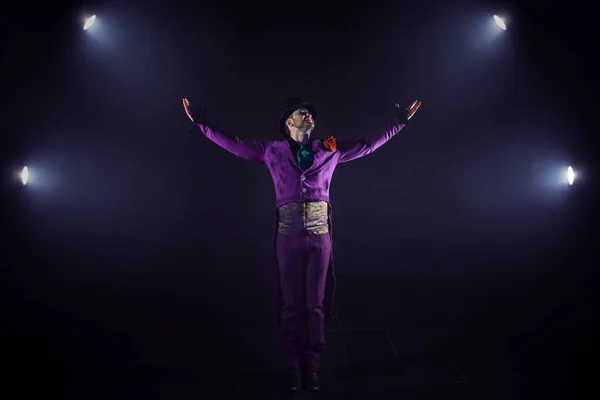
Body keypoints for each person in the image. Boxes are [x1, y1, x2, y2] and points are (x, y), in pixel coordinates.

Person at [182, 97, 421, 391]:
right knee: (292, 304)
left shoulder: (329, 150)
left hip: (320, 237)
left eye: (311, 113)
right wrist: (201, 124)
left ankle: (313, 366)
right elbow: (234, 143)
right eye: (301, 112)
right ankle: (294, 367)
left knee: (316, 305)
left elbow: (366, 145)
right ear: (289, 122)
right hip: (288, 236)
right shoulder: (272, 151)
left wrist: (398, 123)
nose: (308, 115)